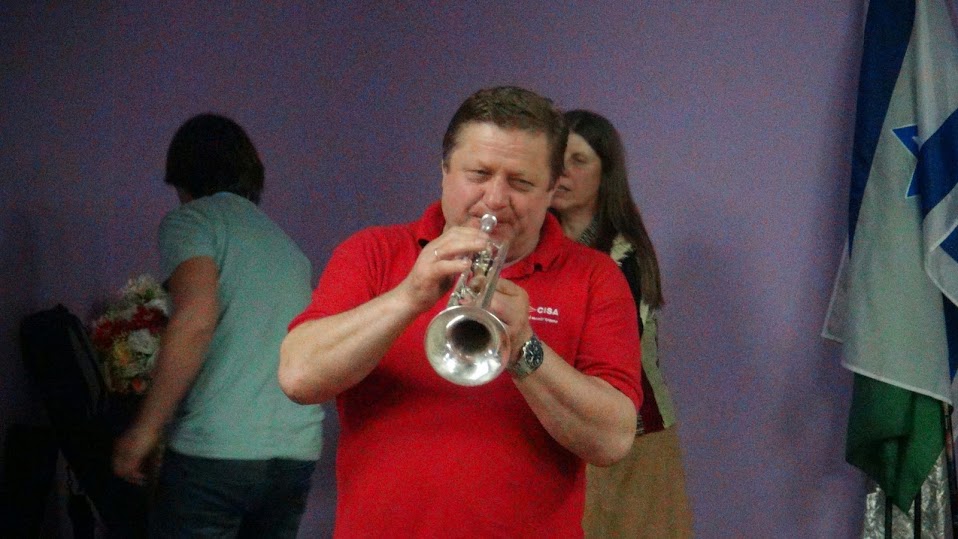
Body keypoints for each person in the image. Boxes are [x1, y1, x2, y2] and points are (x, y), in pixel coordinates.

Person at [279, 86, 642, 538]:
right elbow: (298, 377)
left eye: (521, 183)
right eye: (479, 174)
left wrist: (524, 349)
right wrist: (409, 296)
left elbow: (613, 440)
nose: (495, 199)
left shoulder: (595, 276)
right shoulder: (371, 252)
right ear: (445, 171)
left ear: (551, 189)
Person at [112, 114, 325, 538]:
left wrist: (145, 430)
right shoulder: (287, 247)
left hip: (216, 453)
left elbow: (194, 320)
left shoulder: (193, 221)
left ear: (183, 175)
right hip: (295, 453)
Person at [551, 109, 694, 538]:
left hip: (631, 436)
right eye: (556, 159)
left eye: (579, 161)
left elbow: (608, 354)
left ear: (605, 174)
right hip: (556, 428)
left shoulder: (623, 254)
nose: (562, 171)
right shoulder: (533, 245)